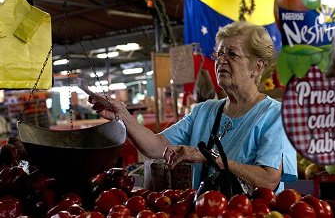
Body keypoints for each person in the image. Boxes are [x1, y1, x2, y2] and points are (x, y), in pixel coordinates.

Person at [89, 21, 297, 192]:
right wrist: (122, 114)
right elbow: (155, 146)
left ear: (257, 66)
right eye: (219, 53)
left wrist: (208, 157)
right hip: (208, 211)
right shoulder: (204, 111)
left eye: (232, 54)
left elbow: (269, 180)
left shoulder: (274, 115)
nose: (221, 60)